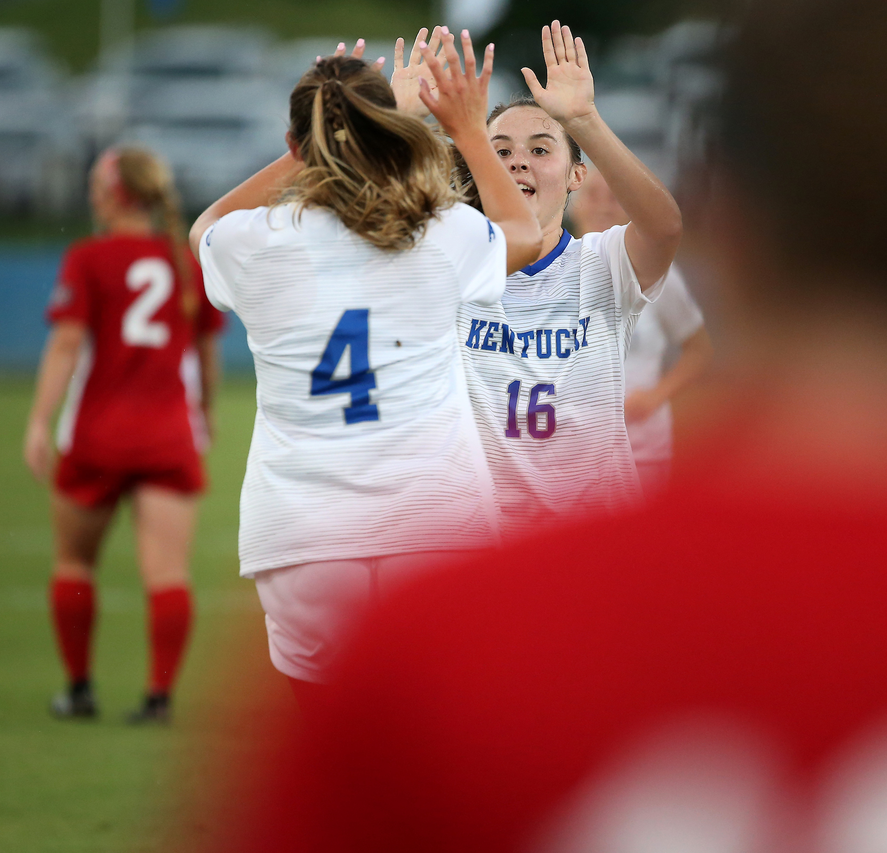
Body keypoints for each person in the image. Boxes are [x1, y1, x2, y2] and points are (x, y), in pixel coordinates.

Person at [218, 4, 887, 852]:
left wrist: (381, 131)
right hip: (492, 527)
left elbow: (569, 230)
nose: (525, 158)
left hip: (557, 553)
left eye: (539, 145)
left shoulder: (447, 645)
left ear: (730, 225)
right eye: (508, 145)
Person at [190, 31, 540, 691]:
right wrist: (465, 129)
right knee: (440, 758)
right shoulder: (441, 232)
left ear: (298, 147)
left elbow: (203, 226)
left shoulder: (256, 244)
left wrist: (315, 146)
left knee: (343, 766)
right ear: (388, 134)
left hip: (302, 530)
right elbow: (523, 232)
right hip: (438, 523)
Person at [458, 21, 683, 536]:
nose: (518, 162)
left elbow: (665, 227)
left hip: (597, 533)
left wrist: (583, 119)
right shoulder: (452, 270)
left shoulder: (600, 262)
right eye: (500, 152)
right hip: (483, 540)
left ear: (576, 175)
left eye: (540, 149)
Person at [24, 146, 224, 724]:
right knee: (167, 573)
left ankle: (80, 689)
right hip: (167, 436)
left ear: (116, 193)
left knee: (74, 565)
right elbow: (207, 354)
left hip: (97, 436)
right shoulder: (185, 261)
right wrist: (206, 412)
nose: (90, 193)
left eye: (95, 183)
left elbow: (65, 345)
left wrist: (38, 420)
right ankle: (158, 697)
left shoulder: (89, 258)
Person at [571, 165, 713, 497]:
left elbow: (699, 350)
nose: (604, 206)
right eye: (593, 195)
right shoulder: (549, 273)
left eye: (616, 197)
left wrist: (653, 397)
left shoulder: (659, 275)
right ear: (574, 202)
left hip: (642, 451)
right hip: (574, 456)